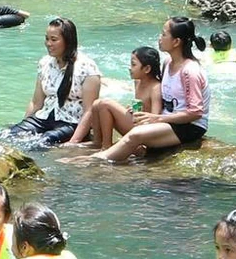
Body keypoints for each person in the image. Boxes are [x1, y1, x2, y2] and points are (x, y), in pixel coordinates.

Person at [68, 17, 211, 164]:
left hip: (189, 127)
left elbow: (195, 112)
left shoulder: (189, 71)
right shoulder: (168, 63)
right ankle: (102, 146)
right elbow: (160, 97)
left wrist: (158, 118)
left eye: (163, 34)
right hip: (167, 121)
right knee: (103, 104)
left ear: (176, 42)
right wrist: (144, 112)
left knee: (135, 134)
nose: (159, 38)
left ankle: (96, 161)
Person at [0, 16, 99, 148]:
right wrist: (23, 125)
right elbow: (36, 102)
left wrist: (74, 142)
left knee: (42, 143)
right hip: (44, 117)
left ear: (68, 41)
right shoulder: (45, 63)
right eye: (47, 39)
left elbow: (89, 111)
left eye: (54, 39)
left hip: (71, 122)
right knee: (5, 135)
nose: (48, 43)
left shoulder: (87, 68)